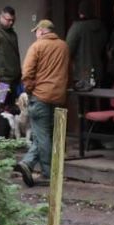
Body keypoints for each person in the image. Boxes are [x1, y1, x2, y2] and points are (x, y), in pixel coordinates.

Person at [19, 18, 70, 183]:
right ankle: (30, 165)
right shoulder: (64, 46)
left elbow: (27, 72)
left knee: (42, 136)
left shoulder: (37, 46)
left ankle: (44, 172)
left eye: (36, 32)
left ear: (40, 31)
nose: (36, 34)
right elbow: (69, 69)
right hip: (59, 97)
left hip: (40, 96)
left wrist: (29, 89)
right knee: (46, 135)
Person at [64, 1, 109, 90]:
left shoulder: (77, 27)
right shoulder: (101, 27)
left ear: (80, 12)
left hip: (81, 72)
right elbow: (105, 45)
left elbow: (67, 50)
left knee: (82, 97)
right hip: (98, 70)